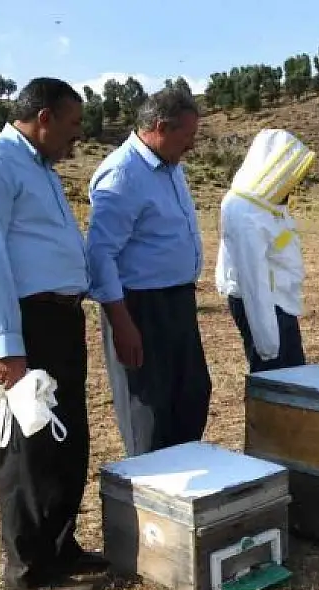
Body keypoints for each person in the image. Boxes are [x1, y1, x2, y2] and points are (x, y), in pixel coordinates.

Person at [0, 78, 107, 590]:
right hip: (24, 325)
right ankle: (28, 571)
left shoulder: (41, 168)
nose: (79, 135)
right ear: (45, 117)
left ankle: (60, 544)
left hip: (59, 320)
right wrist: (4, 342)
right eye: (73, 124)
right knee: (27, 445)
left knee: (65, 436)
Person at [86, 88, 210, 457]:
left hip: (178, 303)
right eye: (186, 137)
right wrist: (122, 323)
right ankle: (150, 494)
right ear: (160, 127)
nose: (190, 146)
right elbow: (99, 255)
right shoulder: (123, 173)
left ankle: (183, 486)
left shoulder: (171, 167)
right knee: (149, 413)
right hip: (140, 308)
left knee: (190, 397)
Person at [215, 129, 316, 373]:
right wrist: (268, 344)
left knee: (295, 379)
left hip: (279, 303)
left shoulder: (268, 203)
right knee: (275, 381)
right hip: (264, 307)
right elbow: (254, 282)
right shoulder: (242, 210)